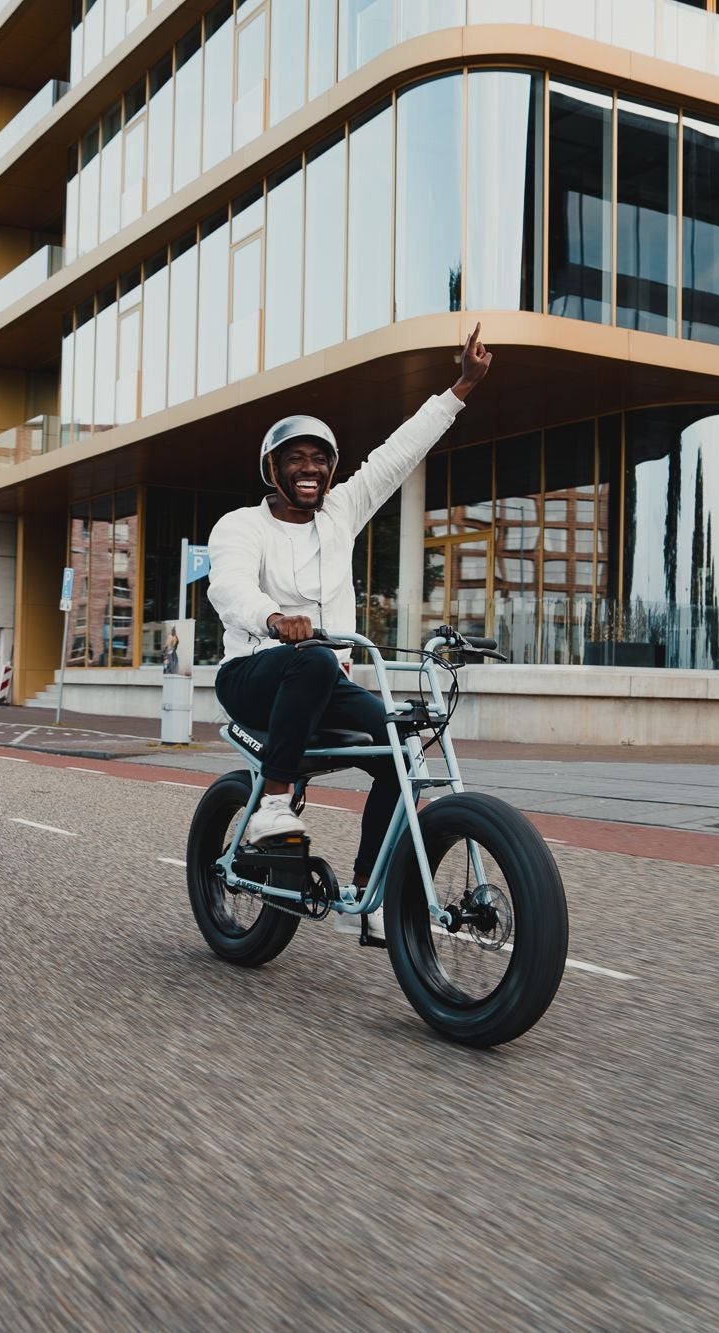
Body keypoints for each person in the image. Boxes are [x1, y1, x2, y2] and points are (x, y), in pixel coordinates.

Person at [207, 324, 493, 939]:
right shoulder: (239, 525)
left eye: (320, 460)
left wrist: (463, 385)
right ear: (273, 469)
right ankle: (275, 816)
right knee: (311, 658)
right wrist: (274, 619)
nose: (309, 470)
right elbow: (227, 587)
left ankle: (371, 891)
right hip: (253, 675)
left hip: (323, 679)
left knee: (404, 744)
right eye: (296, 459)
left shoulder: (341, 510)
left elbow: (399, 452)